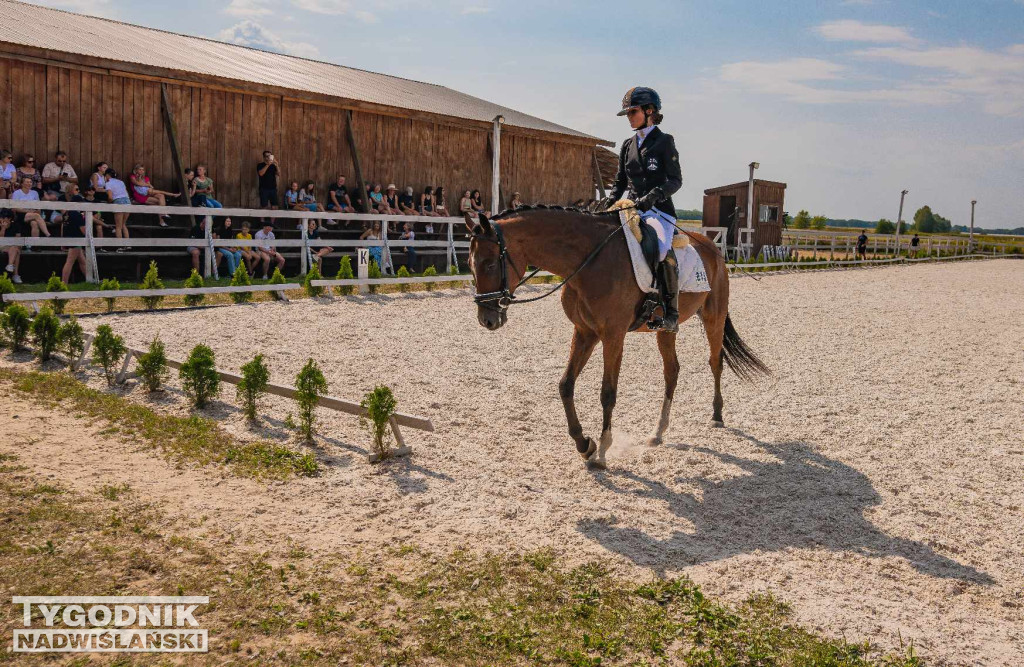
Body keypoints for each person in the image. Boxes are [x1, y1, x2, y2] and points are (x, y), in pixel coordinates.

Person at [596, 86, 683, 332]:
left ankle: (671, 313)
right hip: (631, 208)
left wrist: (654, 196)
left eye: (632, 112)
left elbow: (675, 180)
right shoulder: (627, 145)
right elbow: (620, 182)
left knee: (662, 248)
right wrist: (610, 201)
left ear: (649, 111)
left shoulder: (665, 141)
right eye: (627, 113)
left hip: (659, 211)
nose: (629, 117)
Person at [60, 186, 88, 284]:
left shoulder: (66, 214)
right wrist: (89, 239)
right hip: (76, 239)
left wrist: (62, 241)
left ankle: (90, 279)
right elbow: (83, 229)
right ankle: (64, 282)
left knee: (82, 261)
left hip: (68, 238)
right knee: (70, 261)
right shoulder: (77, 215)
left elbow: (63, 227)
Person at [10, 176, 49, 241]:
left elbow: (38, 206)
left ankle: (34, 245)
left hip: (33, 214)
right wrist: (29, 211)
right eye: (27, 182)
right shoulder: (17, 193)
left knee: (35, 223)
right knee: (36, 215)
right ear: (22, 184)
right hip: (21, 214)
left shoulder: (34, 193)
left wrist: (38, 211)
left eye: (30, 182)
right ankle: (48, 235)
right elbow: (14, 208)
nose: (29, 183)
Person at [104, 168, 132, 248]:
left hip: (118, 201)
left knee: (118, 226)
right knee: (123, 224)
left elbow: (110, 197)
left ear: (107, 175)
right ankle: (127, 245)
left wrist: (109, 202)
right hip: (127, 201)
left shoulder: (108, 183)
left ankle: (120, 246)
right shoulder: (121, 182)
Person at [2, 208, 24, 284]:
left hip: (11, 246)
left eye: (4, 218)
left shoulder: (15, 225)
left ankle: (10, 265)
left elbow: (18, 239)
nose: (1, 219)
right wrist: (3, 229)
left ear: (9, 218)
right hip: (1, 244)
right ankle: (15, 275)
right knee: (16, 251)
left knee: (16, 249)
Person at [257, 150, 280, 216]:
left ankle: (272, 224)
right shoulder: (260, 165)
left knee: (275, 207)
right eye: (267, 156)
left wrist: (277, 165)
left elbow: (278, 174)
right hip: (264, 188)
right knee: (264, 207)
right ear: (264, 157)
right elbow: (261, 173)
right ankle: (263, 223)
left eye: (270, 156)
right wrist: (268, 164)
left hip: (273, 188)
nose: (268, 158)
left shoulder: (273, 166)